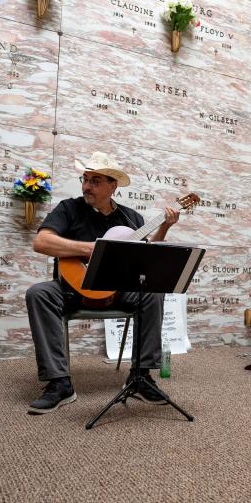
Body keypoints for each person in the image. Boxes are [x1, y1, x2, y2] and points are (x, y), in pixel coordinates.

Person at [25, 152, 179, 414]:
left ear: (112, 186)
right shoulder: (69, 208)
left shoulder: (131, 219)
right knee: (38, 293)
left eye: (95, 181)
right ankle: (59, 383)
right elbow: (41, 242)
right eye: (84, 179)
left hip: (118, 291)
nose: (86, 186)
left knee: (152, 292)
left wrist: (163, 228)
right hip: (71, 291)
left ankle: (141, 377)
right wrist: (91, 250)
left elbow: (145, 258)